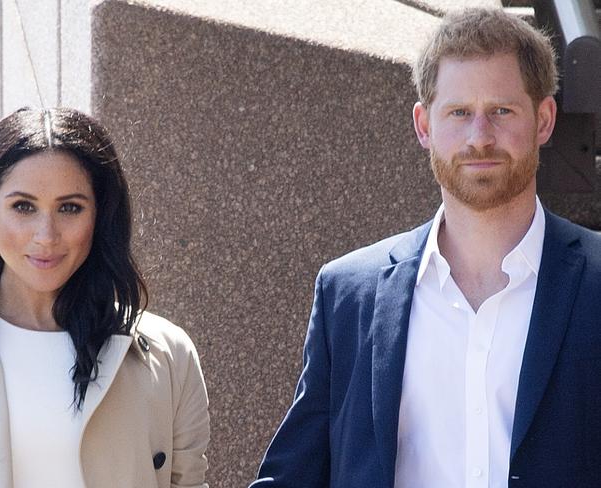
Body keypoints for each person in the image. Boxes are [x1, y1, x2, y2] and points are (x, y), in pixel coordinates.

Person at [250, 7, 601, 488]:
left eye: (502, 110)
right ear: (423, 125)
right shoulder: (349, 294)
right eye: (459, 112)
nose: (480, 137)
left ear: (543, 119)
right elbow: (295, 476)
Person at [0, 107, 210, 488]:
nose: (46, 235)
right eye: (23, 206)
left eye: (70, 208)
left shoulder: (168, 355)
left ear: (99, 213)